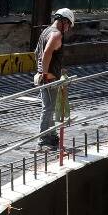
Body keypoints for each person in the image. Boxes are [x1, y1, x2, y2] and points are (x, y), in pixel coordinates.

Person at [33, 8, 75, 150]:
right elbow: (46, 53)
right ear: (64, 22)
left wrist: (45, 72)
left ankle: (51, 136)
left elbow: (36, 53)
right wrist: (45, 74)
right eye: (68, 25)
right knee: (48, 108)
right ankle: (44, 139)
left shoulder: (45, 31)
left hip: (45, 77)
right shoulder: (56, 34)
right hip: (48, 79)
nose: (68, 29)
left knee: (49, 108)